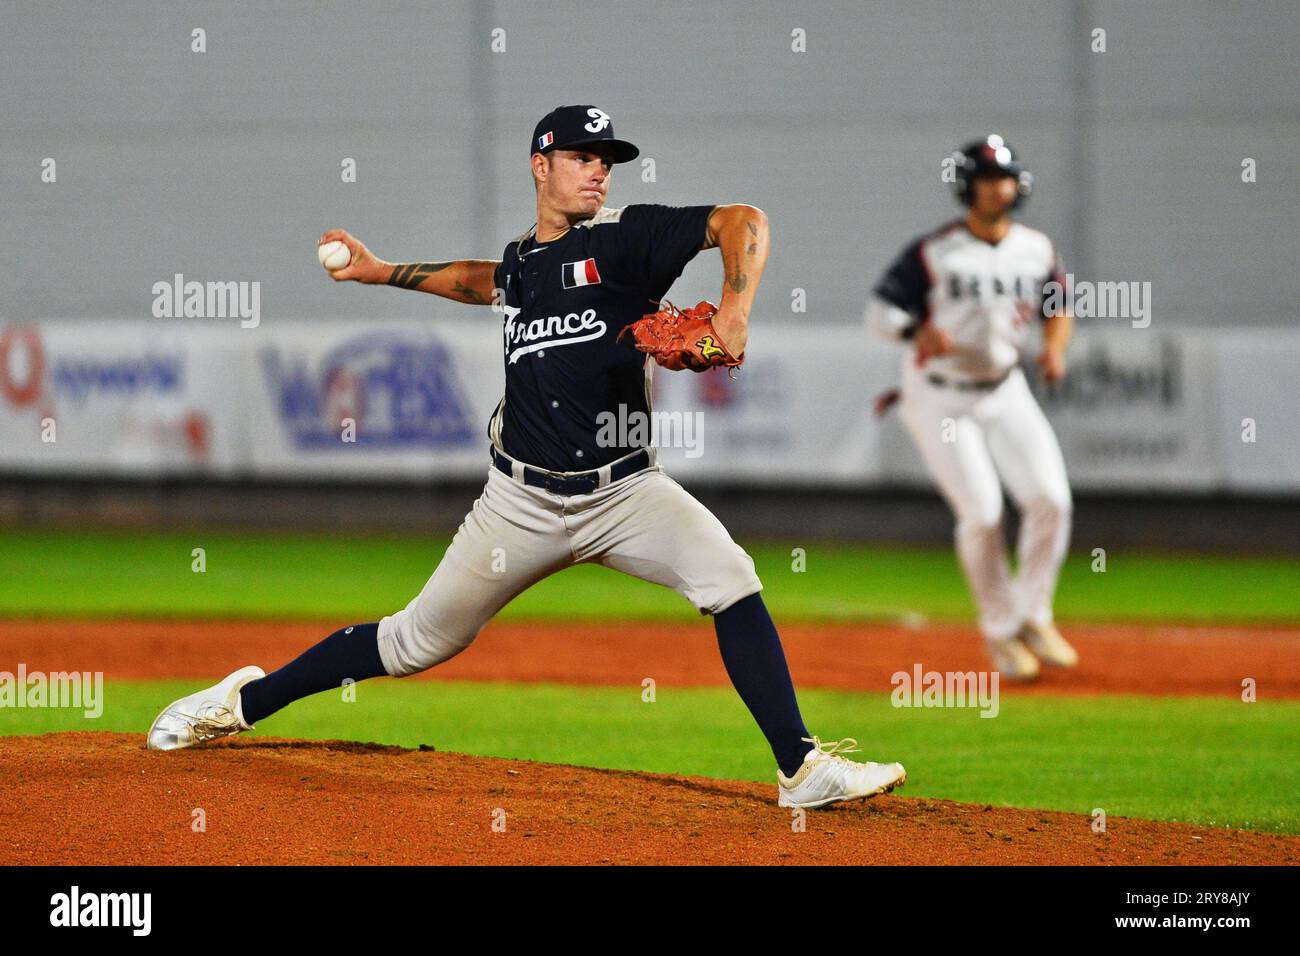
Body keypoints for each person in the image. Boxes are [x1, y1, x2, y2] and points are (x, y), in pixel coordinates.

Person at [148, 105, 906, 809]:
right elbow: (487, 282)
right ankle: (240, 703)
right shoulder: (522, 263)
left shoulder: (626, 239)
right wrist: (382, 272)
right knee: (414, 641)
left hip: (625, 493)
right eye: (582, 156)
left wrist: (735, 309)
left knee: (730, 577)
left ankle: (801, 769)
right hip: (519, 504)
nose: (599, 170)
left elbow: (744, 220)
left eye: (607, 159)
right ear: (540, 165)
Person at [864, 135, 1078, 681]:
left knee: (1050, 499)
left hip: (1005, 388)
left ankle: (1034, 614)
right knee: (983, 514)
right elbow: (879, 311)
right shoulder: (936, 251)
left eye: (1003, 178)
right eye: (986, 180)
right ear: (967, 187)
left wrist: (1054, 350)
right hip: (939, 394)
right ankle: (1002, 629)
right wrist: (914, 330)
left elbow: (1058, 306)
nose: (997, 189)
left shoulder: (1036, 247)